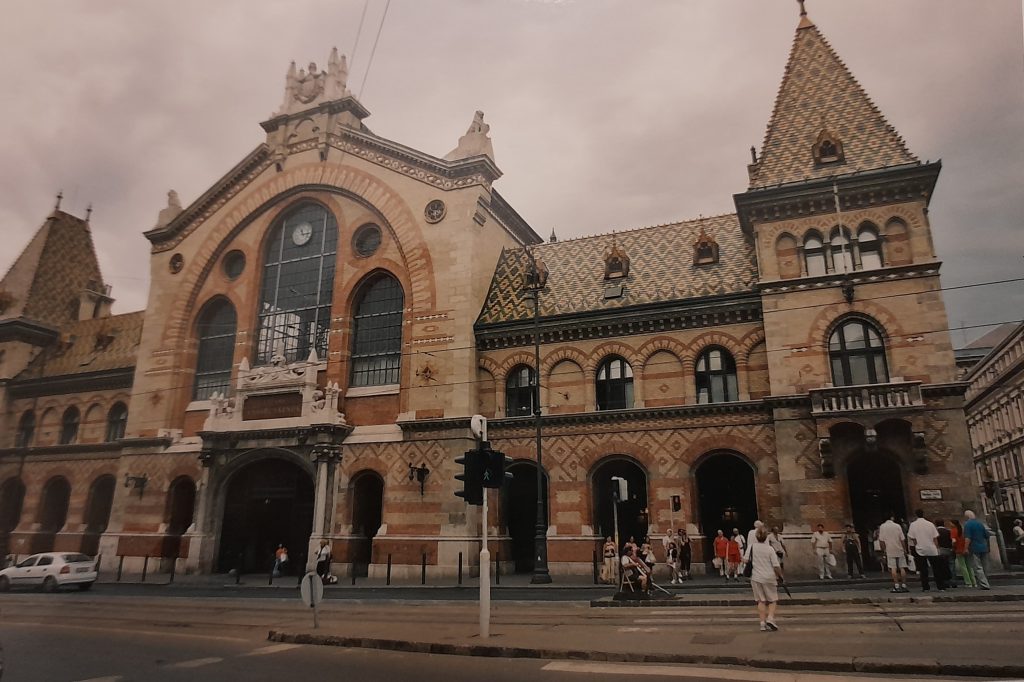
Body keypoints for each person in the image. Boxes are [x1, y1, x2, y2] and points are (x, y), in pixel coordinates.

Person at [749, 527, 784, 632]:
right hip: (769, 577)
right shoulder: (770, 549)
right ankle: (770, 618)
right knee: (773, 600)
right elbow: (776, 565)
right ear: (766, 538)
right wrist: (781, 576)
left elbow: (745, 560)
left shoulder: (751, 547)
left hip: (756, 577)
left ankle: (762, 624)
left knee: (761, 600)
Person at [906, 509, 947, 591]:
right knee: (936, 568)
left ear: (916, 515)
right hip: (931, 548)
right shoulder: (930, 524)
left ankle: (926, 587)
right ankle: (940, 586)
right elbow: (935, 537)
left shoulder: (913, 525)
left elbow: (912, 537)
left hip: (920, 549)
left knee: (923, 569)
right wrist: (937, 547)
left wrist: (915, 545)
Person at [878, 514, 909, 593]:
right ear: (891, 518)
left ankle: (896, 585)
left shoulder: (882, 526)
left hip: (889, 549)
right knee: (902, 567)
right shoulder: (897, 526)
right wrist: (905, 549)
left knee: (893, 568)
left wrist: (883, 550)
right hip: (899, 548)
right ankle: (904, 585)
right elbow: (902, 539)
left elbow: (881, 540)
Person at [963, 510, 992, 590]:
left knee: (978, 567)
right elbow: (987, 535)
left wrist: (965, 548)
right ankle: (985, 581)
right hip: (983, 547)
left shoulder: (968, 525)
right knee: (985, 566)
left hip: (974, 548)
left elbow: (968, 538)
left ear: (966, 517)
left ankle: (984, 584)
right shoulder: (980, 524)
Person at [951, 518, 974, 587]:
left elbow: (953, 541)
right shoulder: (963, 530)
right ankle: (973, 581)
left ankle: (968, 582)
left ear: (953, 524)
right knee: (969, 566)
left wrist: (953, 547)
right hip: (965, 549)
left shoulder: (953, 531)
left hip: (958, 550)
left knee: (963, 567)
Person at [935, 519, 956, 588]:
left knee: (942, 567)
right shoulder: (948, 531)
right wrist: (952, 548)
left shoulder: (936, 532)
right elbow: (953, 541)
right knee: (951, 566)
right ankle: (953, 581)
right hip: (949, 549)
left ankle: (945, 582)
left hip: (940, 550)